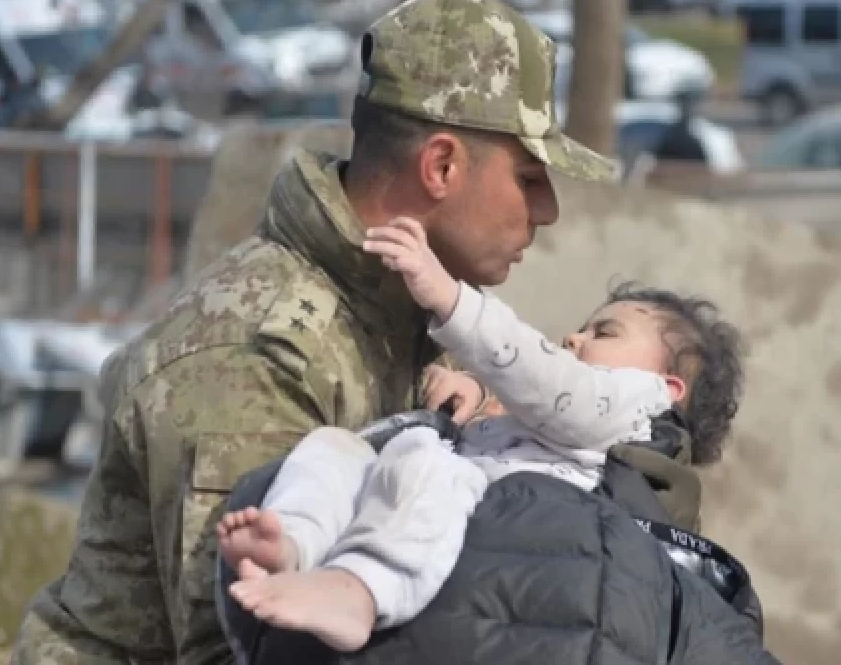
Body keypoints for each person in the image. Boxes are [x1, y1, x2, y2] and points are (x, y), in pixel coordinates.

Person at [11, 0, 618, 664]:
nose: (548, 211)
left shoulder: (396, 314)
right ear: (441, 166)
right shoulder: (256, 355)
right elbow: (241, 644)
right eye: (529, 178)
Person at [215, 216, 742, 652]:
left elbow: (553, 388)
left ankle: (362, 589)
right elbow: (540, 412)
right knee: (335, 448)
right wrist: (475, 397)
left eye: (604, 333)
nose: (574, 337)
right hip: (440, 498)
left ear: (667, 387)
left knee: (428, 464)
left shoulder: (633, 405)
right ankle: (292, 543)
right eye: (584, 326)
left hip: (466, 505)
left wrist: (450, 299)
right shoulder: (569, 417)